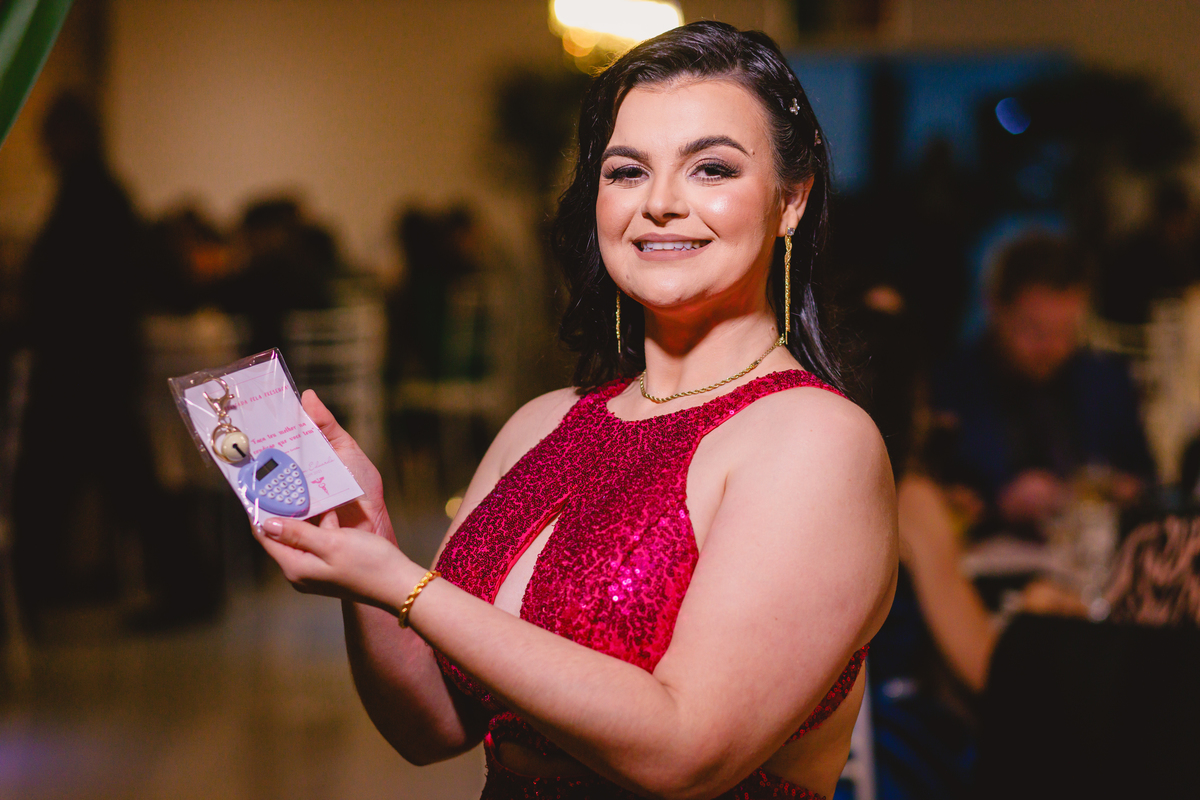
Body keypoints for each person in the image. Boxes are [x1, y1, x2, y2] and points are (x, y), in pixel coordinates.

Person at [251, 22, 897, 799]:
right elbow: (431, 728)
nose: (661, 203)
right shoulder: (541, 424)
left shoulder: (815, 439)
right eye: (627, 172)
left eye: (712, 168)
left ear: (791, 201)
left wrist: (405, 585)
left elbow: (687, 752)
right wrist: (369, 546)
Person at [931, 235, 1154, 539]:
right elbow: (936, 496)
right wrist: (997, 506)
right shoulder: (950, 386)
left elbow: (1147, 480)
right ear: (995, 307)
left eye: (1066, 330)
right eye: (1034, 329)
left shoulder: (1105, 379)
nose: (1052, 347)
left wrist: (1118, 489)